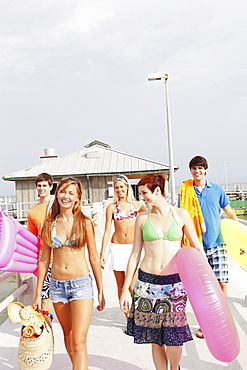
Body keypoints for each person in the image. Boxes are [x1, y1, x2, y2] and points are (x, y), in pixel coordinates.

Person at [120, 174, 205, 370]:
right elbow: (134, 255)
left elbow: (197, 247)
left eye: (144, 193)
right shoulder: (142, 218)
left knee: (174, 337)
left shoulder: (181, 215)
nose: (142, 198)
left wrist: (207, 276)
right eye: (140, 193)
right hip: (146, 284)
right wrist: (125, 289)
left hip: (174, 284)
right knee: (154, 337)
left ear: (157, 191)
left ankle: (175, 367)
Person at [32, 177, 105, 370]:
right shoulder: (49, 223)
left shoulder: (84, 223)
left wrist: (100, 289)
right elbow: (44, 260)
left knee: (79, 342)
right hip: (57, 286)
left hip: (81, 285)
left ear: (77, 197)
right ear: (57, 194)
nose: (66, 196)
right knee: (68, 335)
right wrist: (38, 294)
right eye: (63, 191)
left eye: (71, 193)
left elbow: (94, 258)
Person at [179, 155, 238, 339]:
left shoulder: (217, 190)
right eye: (193, 168)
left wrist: (239, 238)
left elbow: (230, 214)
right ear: (190, 171)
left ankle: (221, 321)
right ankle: (205, 324)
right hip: (196, 247)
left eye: (200, 168)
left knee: (221, 283)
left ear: (205, 170)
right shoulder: (186, 191)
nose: (197, 171)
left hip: (217, 243)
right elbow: (181, 217)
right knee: (201, 288)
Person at [100, 174, 146, 319]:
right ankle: (128, 317)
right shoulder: (112, 207)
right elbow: (107, 230)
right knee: (120, 285)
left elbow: (149, 224)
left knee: (133, 287)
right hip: (117, 248)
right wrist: (102, 253)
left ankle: (138, 314)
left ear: (127, 187)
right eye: (116, 187)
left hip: (133, 249)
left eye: (121, 186)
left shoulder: (138, 205)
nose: (119, 190)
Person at [28, 172, 54, 312]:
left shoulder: (59, 206)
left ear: (51, 186)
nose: (42, 188)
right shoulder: (33, 212)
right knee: (45, 297)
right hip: (45, 259)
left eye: (45, 185)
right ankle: (47, 329)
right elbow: (32, 239)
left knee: (65, 296)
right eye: (39, 186)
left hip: (62, 258)